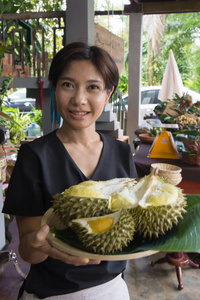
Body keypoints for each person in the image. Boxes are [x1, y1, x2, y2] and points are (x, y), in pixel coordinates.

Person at [2, 42, 138, 300]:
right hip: (53, 293)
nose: (79, 99)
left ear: (108, 94)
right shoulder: (34, 156)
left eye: (93, 87)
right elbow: (30, 251)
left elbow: (131, 226)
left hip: (113, 290)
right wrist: (38, 245)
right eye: (68, 85)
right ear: (54, 88)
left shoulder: (121, 153)